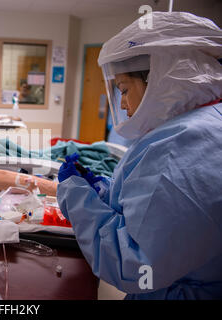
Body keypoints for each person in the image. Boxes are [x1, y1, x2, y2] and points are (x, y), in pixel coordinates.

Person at [57, 12, 222, 300]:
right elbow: (156, 211)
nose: (122, 103)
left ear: (160, 80)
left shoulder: (178, 146)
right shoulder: (203, 123)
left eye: (124, 89)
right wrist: (104, 191)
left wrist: (76, 198)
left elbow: (133, 263)